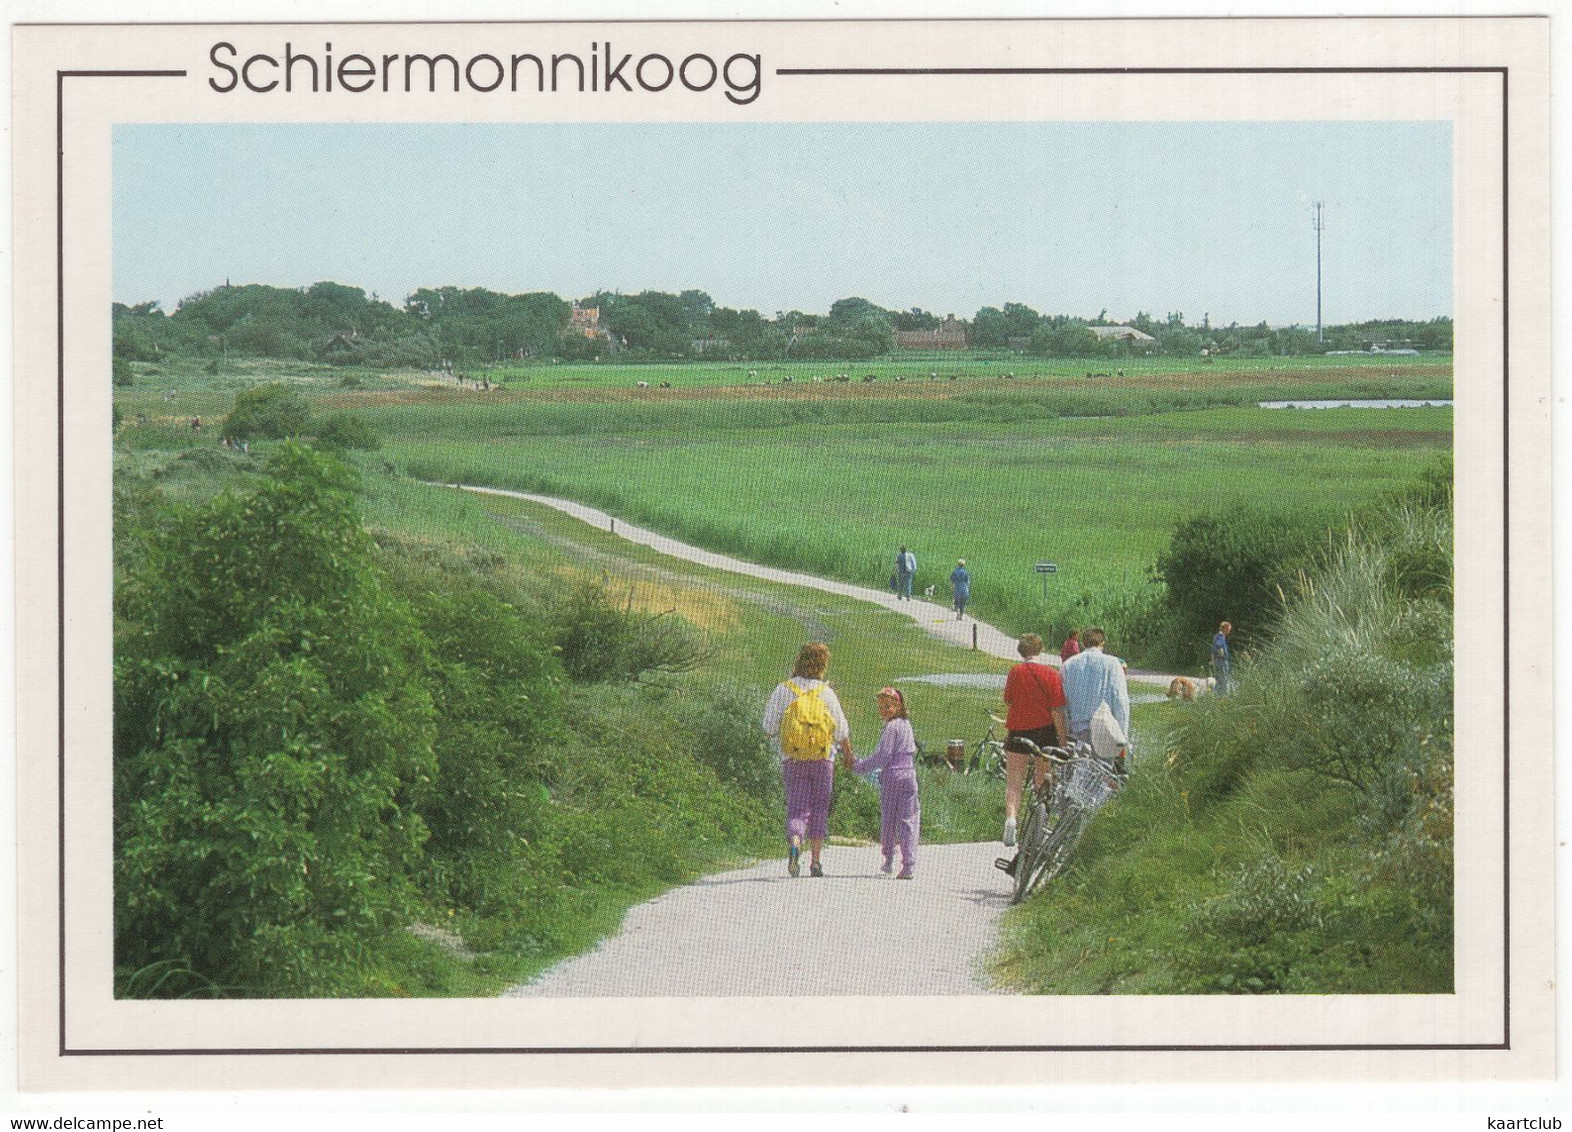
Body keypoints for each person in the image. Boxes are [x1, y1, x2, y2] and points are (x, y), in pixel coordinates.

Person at [763, 642, 852, 878]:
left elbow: (768, 727)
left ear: (798, 661)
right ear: (823, 665)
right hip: (823, 761)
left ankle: (795, 843)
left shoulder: (783, 690)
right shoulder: (826, 693)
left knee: (797, 809)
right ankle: (815, 862)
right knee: (820, 808)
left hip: (792, 759)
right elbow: (842, 730)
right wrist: (849, 756)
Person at [1000, 633, 1069, 847]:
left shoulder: (1015, 671)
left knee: (1014, 781)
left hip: (1018, 730)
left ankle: (1011, 819)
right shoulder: (1051, 673)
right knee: (1043, 777)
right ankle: (1040, 819)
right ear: (1041, 650)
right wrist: (1063, 739)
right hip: (1044, 732)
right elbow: (1057, 709)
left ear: (1021, 651)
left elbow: (1009, 700)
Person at [845, 687, 920, 879]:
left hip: (892, 778)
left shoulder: (891, 727)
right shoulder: (906, 725)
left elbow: (883, 756)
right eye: (881, 706)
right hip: (909, 775)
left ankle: (888, 859)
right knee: (908, 820)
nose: (884, 710)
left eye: (888, 706)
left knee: (889, 819)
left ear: (898, 706)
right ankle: (909, 864)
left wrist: (860, 766)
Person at [1060, 627, 1131, 745]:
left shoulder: (1068, 665)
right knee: (1103, 764)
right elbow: (1120, 700)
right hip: (1105, 730)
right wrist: (1122, 735)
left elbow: (1064, 701)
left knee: (1079, 762)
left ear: (1083, 643)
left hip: (1078, 732)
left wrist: (1067, 733)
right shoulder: (1113, 663)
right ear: (1103, 643)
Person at [1211, 620, 1233, 696]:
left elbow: (1213, 650)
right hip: (1222, 662)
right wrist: (1222, 654)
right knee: (1223, 680)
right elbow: (1219, 645)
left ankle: (1216, 695)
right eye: (1229, 630)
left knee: (1219, 680)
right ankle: (1222, 696)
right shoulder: (1221, 637)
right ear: (1225, 629)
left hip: (1217, 661)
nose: (1229, 632)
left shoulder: (1216, 636)